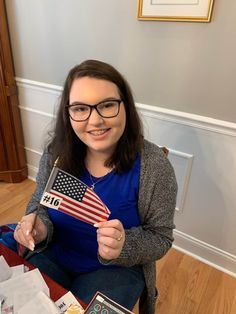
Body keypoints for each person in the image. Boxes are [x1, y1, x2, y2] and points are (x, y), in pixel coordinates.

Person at [13, 59, 177, 314]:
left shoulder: (153, 167)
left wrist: (125, 244)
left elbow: (161, 237)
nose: (96, 120)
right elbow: (40, 202)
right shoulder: (57, 154)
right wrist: (38, 225)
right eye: (80, 109)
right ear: (69, 113)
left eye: (108, 105)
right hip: (55, 255)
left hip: (115, 270)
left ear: (125, 106)